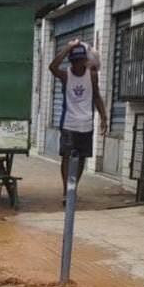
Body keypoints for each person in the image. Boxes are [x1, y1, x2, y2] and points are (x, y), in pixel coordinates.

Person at [49, 39, 108, 205]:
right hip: (69, 123)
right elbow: (52, 67)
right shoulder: (66, 75)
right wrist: (67, 48)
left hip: (86, 124)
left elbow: (96, 96)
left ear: (85, 61)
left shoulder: (92, 75)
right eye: (74, 61)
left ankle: (73, 189)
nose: (77, 64)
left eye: (80, 60)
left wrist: (103, 116)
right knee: (67, 156)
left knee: (81, 157)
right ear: (71, 61)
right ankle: (66, 191)